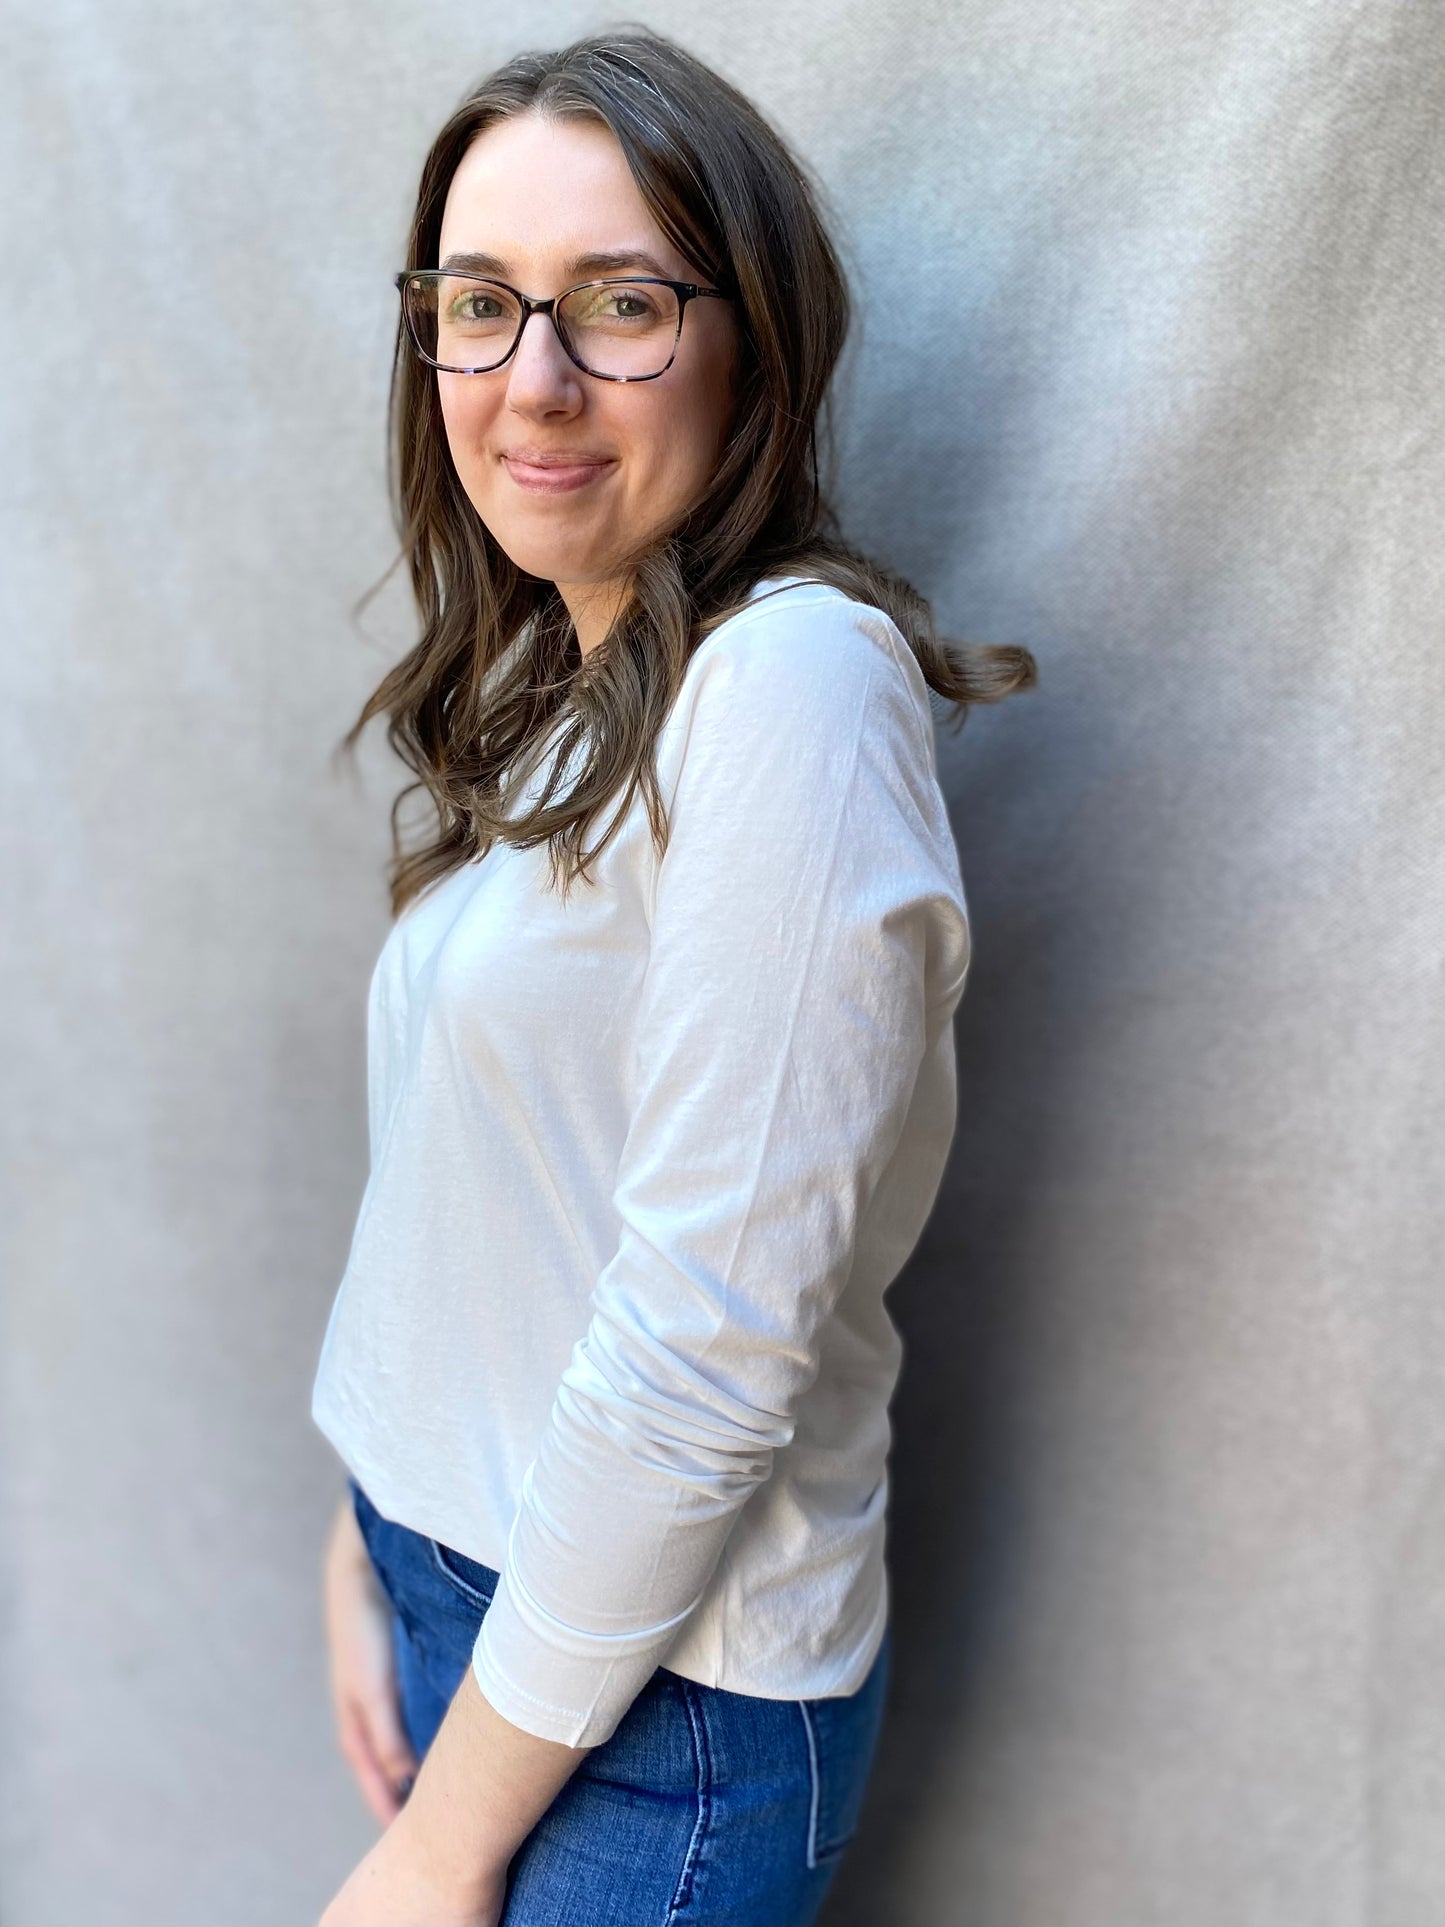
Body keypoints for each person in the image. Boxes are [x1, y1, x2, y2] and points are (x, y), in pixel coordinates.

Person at [311, 26, 1036, 1927]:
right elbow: (494, 1190)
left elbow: (712, 1333)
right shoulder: (579, 687)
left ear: (754, 346)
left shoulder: (790, 687)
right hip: (486, 1594)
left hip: (662, 1715)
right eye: (481, 305)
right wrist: (368, 1511)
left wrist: (446, 1840)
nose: (530, 381)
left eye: (617, 303)